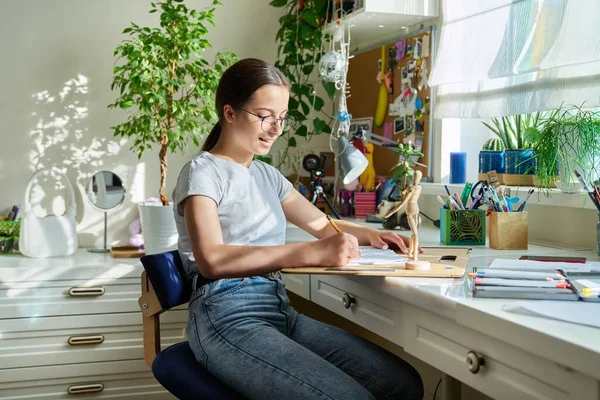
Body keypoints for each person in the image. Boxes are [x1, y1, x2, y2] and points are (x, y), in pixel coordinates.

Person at [172, 58, 424, 400]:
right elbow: (212, 261)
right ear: (229, 113)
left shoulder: (267, 175)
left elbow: (322, 224)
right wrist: (308, 252)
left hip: (276, 306)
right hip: (225, 314)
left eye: (281, 118)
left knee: (403, 385)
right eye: (264, 116)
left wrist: (375, 236)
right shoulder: (203, 172)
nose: (275, 128)